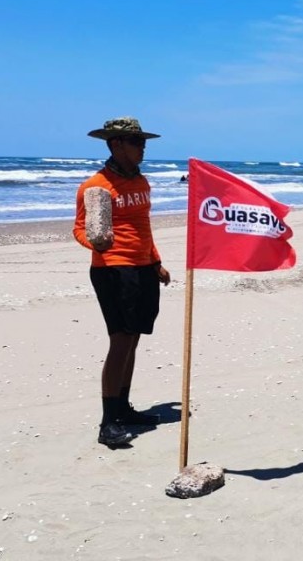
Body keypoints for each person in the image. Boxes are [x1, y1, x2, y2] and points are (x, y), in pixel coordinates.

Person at [73, 117, 171, 447]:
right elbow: (79, 229)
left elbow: (144, 227)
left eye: (143, 142)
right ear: (116, 144)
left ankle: (124, 408)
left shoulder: (142, 182)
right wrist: (96, 243)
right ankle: (108, 422)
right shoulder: (96, 187)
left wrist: (156, 261)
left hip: (143, 268)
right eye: (137, 143)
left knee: (134, 339)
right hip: (113, 269)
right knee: (120, 340)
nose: (143, 148)